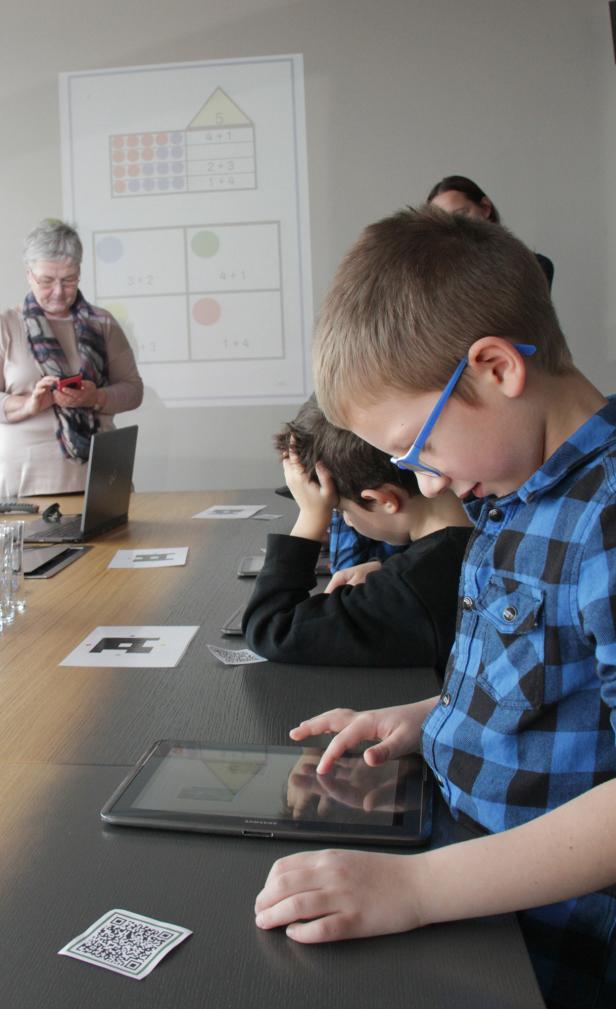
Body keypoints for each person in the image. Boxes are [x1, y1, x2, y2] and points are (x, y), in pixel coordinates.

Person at [254, 207, 616, 1009]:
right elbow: (554, 682)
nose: (426, 483)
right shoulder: (517, 491)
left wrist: (414, 890)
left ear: (494, 368)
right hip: (468, 874)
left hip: (549, 946)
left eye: (419, 445)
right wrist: (432, 716)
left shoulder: (607, 515)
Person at [242, 397, 471, 676]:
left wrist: (310, 521)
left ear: (384, 500)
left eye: (339, 510)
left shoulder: (411, 591)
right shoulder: (492, 529)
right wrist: (388, 569)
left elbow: (270, 628)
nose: (344, 521)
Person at [0, 219, 143, 496]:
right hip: (23, 484)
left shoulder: (103, 323)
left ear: (79, 271)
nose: (58, 291)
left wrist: (96, 398)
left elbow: (133, 390)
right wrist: (30, 404)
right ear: (29, 274)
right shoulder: (5, 325)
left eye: (69, 280)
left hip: (99, 478)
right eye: (46, 281)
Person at [427, 174, 554, 290]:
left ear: (485, 208)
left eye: (460, 215)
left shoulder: (534, 267)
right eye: (441, 221)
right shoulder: (427, 277)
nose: (452, 226)